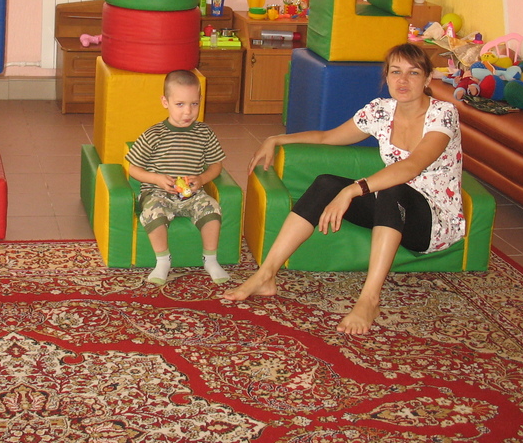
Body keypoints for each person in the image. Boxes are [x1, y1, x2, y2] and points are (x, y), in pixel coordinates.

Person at [223, 42, 463, 335]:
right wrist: (276, 139)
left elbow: (411, 167)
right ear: (386, 76)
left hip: (432, 221)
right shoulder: (380, 110)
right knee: (326, 183)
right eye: (395, 72)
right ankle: (265, 275)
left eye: (413, 73)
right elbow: (327, 137)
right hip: (389, 207)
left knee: (392, 189)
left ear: (427, 78)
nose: (403, 80)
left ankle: (369, 300)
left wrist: (352, 190)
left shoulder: (443, 113)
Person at [126, 69, 229, 285]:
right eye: (180, 104)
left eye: (194, 104)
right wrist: (156, 178)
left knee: (212, 209)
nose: (188, 111)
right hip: (158, 193)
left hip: (193, 194)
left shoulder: (204, 133)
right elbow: (133, 168)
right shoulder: (154, 134)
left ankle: (210, 260)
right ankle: (163, 261)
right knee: (153, 212)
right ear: (165, 102)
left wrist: (202, 179)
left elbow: (216, 166)